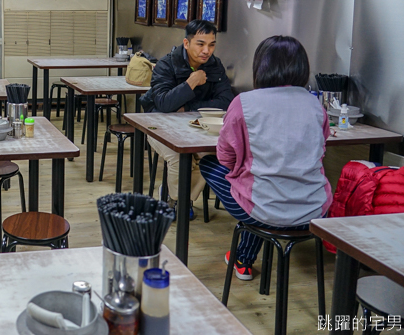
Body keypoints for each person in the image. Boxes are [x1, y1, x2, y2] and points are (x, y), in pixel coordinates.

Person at [199, 36, 332, 281]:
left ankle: (244, 259)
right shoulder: (316, 105)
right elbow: (321, 151)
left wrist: (246, 167)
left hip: (261, 209)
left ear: (261, 66)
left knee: (210, 166)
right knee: (258, 188)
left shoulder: (244, 103)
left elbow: (225, 156)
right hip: (314, 210)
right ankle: (242, 259)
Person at [140, 19, 234, 218]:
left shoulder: (215, 66)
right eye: (200, 44)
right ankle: (176, 202)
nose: (206, 51)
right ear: (186, 43)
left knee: (210, 154)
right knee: (177, 157)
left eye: (211, 45)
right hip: (157, 125)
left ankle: (181, 200)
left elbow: (226, 101)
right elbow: (163, 104)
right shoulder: (166, 64)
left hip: (196, 126)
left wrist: (187, 107)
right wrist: (190, 83)